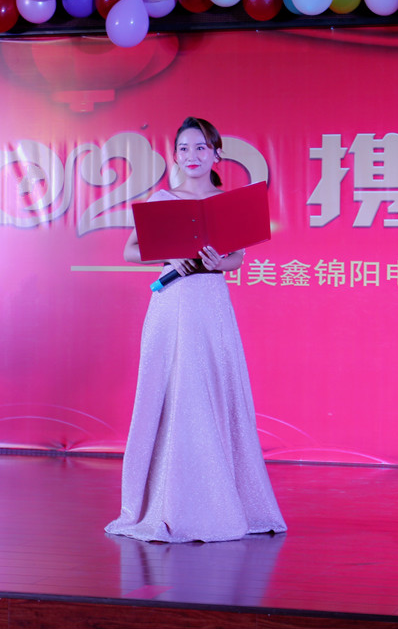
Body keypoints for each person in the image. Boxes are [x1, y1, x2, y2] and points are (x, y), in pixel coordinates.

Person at [106, 117, 286, 543]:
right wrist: (170, 255)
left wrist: (220, 262)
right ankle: (166, 502)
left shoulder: (228, 203)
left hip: (210, 302)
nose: (192, 156)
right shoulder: (163, 200)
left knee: (214, 390)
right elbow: (130, 251)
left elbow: (237, 258)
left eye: (201, 147)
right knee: (174, 391)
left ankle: (225, 499)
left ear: (216, 154)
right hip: (173, 303)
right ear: (175, 156)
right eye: (184, 149)